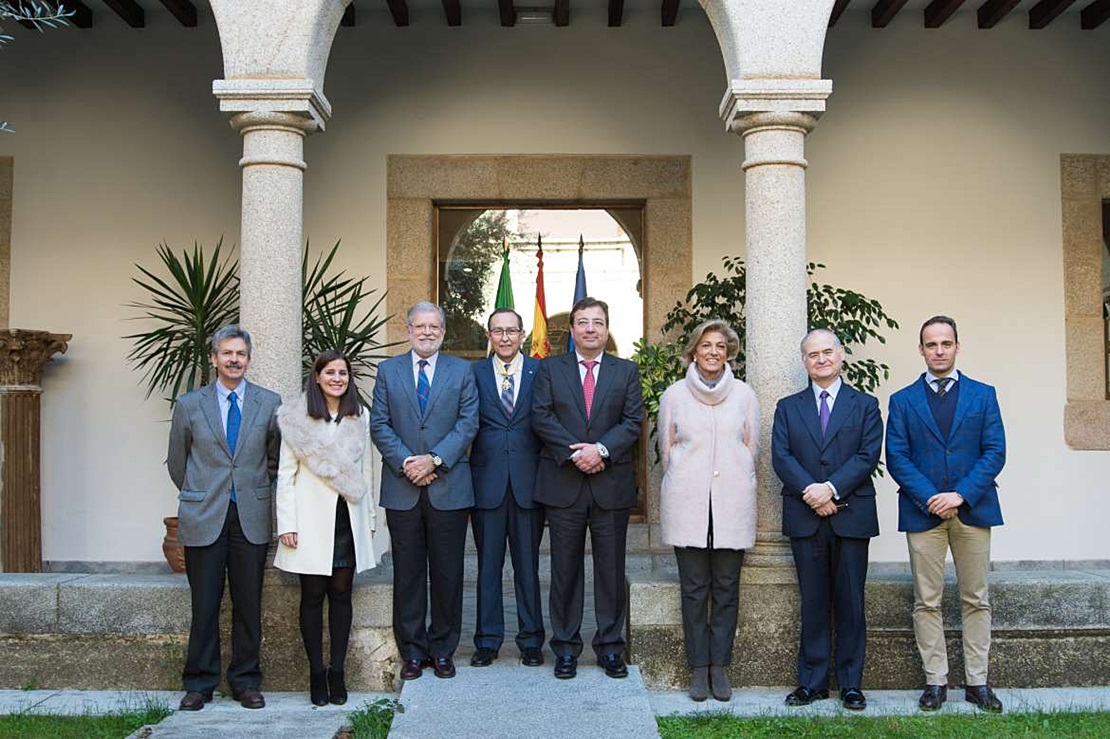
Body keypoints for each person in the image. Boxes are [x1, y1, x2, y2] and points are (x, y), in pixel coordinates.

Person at [886, 315, 1006, 713]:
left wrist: (959, 495)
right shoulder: (902, 401)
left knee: (976, 598)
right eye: (931, 344)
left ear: (957, 346)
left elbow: (995, 452)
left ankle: (977, 683)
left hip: (973, 509)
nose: (939, 350)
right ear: (920, 350)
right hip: (924, 514)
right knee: (927, 600)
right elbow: (897, 457)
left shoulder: (984, 395)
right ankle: (935, 682)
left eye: (946, 343)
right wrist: (933, 497)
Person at [167, 325, 281, 711]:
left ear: (249, 359)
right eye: (227, 354)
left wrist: (248, 487)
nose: (234, 360)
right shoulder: (189, 404)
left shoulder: (269, 403)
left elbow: (273, 457)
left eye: (241, 354)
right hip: (204, 515)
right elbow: (178, 462)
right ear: (214, 358)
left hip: (249, 515)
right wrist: (202, 491)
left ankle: (246, 681)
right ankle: (200, 683)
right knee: (205, 604)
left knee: (249, 604)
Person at [531, 296, 645, 680]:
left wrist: (600, 451)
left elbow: (632, 421)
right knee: (564, 571)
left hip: (610, 485)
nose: (590, 329)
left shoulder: (626, 371)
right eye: (583, 322)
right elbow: (541, 416)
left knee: (611, 571)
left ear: (607, 328)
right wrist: (575, 453)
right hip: (564, 483)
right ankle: (565, 648)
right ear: (573, 329)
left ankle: (611, 648)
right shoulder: (549, 369)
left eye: (597, 322)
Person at [771, 328, 882, 711]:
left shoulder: (865, 405)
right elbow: (781, 457)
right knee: (813, 602)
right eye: (812, 354)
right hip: (806, 516)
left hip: (851, 516)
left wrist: (830, 489)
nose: (821, 359)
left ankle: (851, 684)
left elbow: (867, 456)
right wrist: (812, 493)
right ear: (804, 361)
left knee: (851, 602)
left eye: (827, 352)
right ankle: (812, 683)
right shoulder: (788, 407)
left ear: (841, 355)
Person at [370, 301, 479, 681]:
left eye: (434, 327)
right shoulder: (388, 371)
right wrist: (408, 463)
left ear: (444, 331)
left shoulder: (462, 371)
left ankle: (443, 649)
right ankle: (413, 652)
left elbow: (468, 424)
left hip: (449, 487)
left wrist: (433, 460)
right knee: (409, 574)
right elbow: (379, 425)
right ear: (409, 329)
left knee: (448, 573)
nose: (427, 332)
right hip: (403, 488)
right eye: (420, 326)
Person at [658, 320, 759, 702]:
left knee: (728, 590)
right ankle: (698, 668)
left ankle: (721, 667)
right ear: (693, 351)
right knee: (694, 590)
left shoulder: (745, 395)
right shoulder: (674, 395)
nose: (713, 352)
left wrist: (735, 475)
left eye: (720, 346)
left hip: (732, 504)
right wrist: (690, 479)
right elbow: (667, 450)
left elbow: (752, 447)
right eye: (706, 345)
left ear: (729, 352)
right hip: (688, 504)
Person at [274, 350, 377, 706]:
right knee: (312, 596)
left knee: (342, 594)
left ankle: (338, 671)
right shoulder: (296, 417)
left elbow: (367, 472)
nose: (337, 378)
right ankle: (316, 673)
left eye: (343, 373)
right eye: (330, 372)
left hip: (347, 518)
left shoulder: (359, 415)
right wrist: (286, 524)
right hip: (309, 521)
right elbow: (285, 475)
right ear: (316, 377)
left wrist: (371, 520)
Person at [469, 308, 546, 668]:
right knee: (488, 567)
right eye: (497, 331)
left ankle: (531, 640)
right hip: (487, 484)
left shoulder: (540, 371)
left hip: (529, 484)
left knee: (528, 567)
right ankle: (487, 640)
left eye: (511, 332)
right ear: (489, 335)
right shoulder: (475, 373)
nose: (504, 338)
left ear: (522, 335)